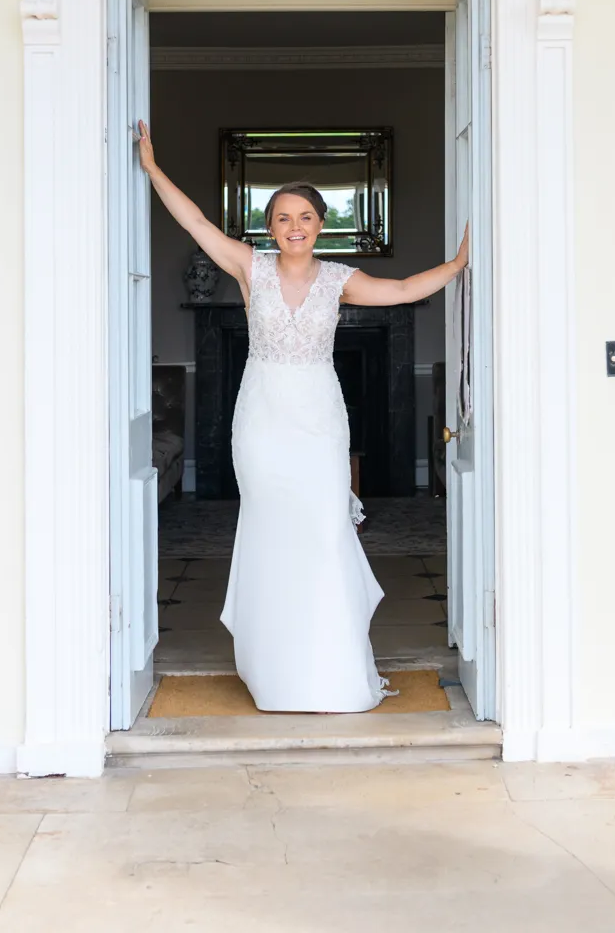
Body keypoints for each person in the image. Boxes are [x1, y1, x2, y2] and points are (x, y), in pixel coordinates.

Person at [138, 121, 469, 713]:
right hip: (261, 421)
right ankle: (275, 672)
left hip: (319, 421)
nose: (295, 227)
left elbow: (402, 289)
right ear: (269, 227)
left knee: (322, 534)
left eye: (306, 217)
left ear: (322, 224)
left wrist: (459, 264)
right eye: (283, 218)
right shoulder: (249, 267)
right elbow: (194, 222)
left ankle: (330, 670)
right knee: (270, 533)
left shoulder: (341, 280)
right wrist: (154, 169)